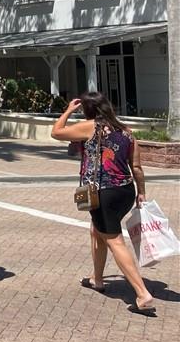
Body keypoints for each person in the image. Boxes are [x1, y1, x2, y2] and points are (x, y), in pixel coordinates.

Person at [51, 92, 155, 314]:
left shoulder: (90, 126)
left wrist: (68, 110)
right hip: (125, 191)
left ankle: (142, 293)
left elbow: (56, 132)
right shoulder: (126, 131)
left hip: (103, 192)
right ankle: (97, 279)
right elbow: (136, 167)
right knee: (96, 230)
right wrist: (141, 192)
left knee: (114, 240)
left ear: (88, 110)